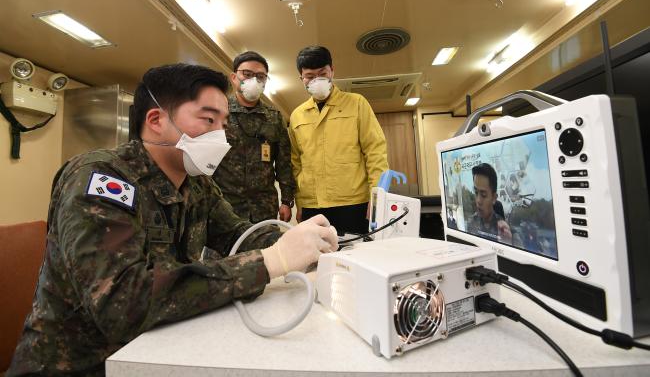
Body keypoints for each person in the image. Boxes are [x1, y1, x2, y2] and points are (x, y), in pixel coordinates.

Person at [7, 64, 337, 376]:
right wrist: (271, 261)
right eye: (208, 120)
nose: (222, 136)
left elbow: (239, 235)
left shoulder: (197, 185)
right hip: (84, 366)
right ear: (155, 120)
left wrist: (306, 248)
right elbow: (125, 305)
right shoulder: (100, 179)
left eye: (223, 124)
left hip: (159, 350)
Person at [288, 46, 389, 236]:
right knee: (317, 261)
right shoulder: (297, 116)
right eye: (309, 76)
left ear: (332, 71)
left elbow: (375, 151)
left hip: (353, 204)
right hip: (312, 205)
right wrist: (300, 203)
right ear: (301, 79)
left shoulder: (357, 103)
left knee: (355, 257)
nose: (316, 80)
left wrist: (377, 198)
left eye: (322, 73)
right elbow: (296, 163)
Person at [212, 51, 295, 223]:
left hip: (263, 207)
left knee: (266, 250)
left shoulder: (274, 116)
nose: (254, 80)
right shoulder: (218, 111)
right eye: (247, 74)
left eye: (260, 76)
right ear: (234, 77)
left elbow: (284, 162)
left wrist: (286, 201)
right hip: (224, 206)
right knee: (230, 250)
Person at [467, 162, 513, 243]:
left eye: (483, 195)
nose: (478, 200)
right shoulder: (471, 222)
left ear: (494, 198)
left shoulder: (504, 229)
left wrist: (508, 243)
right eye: (476, 192)